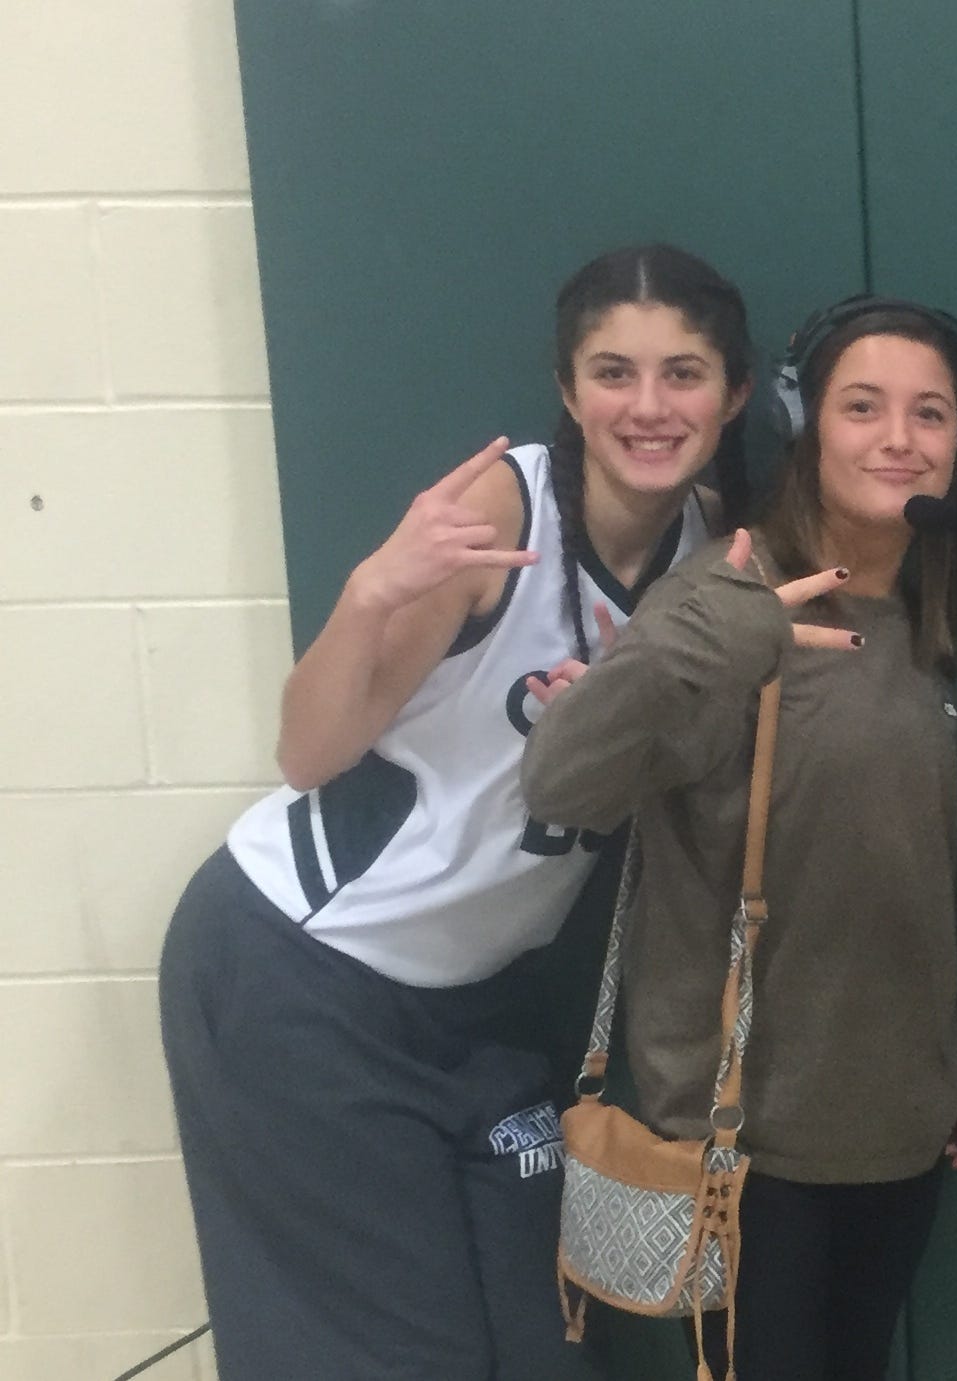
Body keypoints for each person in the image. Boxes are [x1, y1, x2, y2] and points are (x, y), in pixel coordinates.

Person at [158, 243, 754, 1379]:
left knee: (546, 1348)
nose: (648, 404)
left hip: (479, 1011)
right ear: (570, 390)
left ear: (730, 395)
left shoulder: (707, 558)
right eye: (612, 371)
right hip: (300, 972)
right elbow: (307, 750)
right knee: (392, 1354)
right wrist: (370, 592)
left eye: (683, 373)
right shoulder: (501, 505)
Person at [521, 296, 957, 1381]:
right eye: (865, 407)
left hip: (897, 1125)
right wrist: (699, 637)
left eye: (930, 414)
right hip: (751, 1149)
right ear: (806, 425)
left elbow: (915, 862)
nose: (899, 438)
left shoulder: (926, 611)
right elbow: (560, 782)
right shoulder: (728, 603)